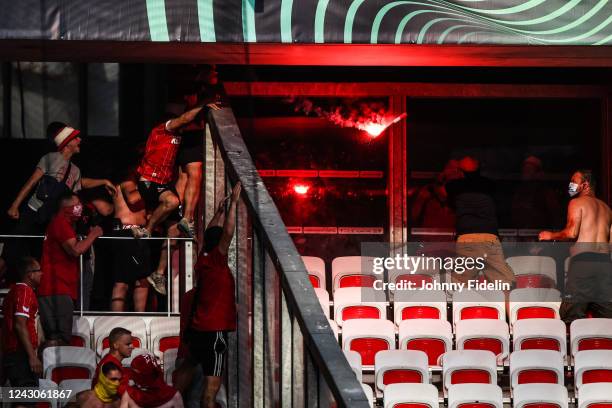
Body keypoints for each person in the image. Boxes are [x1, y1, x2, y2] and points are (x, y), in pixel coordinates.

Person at [6, 122, 115, 265]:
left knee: (41, 255)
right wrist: (15, 205)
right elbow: (31, 182)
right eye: (76, 138)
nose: (80, 140)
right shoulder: (50, 158)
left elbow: (76, 193)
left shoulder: (76, 170)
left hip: (49, 218)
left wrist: (104, 181)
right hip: (32, 212)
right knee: (11, 252)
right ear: (67, 142)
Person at [180, 182, 241, 408]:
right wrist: (233, 205)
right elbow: (228, 232)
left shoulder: (203, 258)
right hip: (214, 332)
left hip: (198, 330)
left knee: (188, 366)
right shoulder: (216, 260)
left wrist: (218, 212)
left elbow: (212, 234)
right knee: (210, 393)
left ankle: (173, 399)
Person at [539, 169, 612, 322]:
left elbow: (571, 233)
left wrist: (550, 235)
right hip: (605, 264)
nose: (570, 185)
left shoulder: (577, 202)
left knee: (571, 313)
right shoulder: (607, 209)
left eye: (574, 181)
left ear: (585, 185)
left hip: (584, 261)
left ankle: (576, 344)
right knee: (606, 315)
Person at [38, 192, 103, 346]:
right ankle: (44, 365)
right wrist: (93, 234)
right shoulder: (60, 223)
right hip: (56, 288)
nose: (80, 208)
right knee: (60, 338)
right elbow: (75, 250)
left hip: (60, 288)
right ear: (67, 207)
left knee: (61, 337)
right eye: (77, 204)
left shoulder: (63, 224)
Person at [446, 156, 515, 287]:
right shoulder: (490, 185)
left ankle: (462, 306)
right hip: (489, 237)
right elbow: (502, 208)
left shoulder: (453, 186)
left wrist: (449, 174)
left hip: (467, 239)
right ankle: (506, 307)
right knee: (504, 284)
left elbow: (447, 202)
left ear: (460, 172)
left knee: (461, 284)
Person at [175, 64, 223, 239]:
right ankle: (187, 217)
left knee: (185, 177)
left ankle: (180, 215)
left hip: (188, 138)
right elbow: (185, 115)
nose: (216, 73)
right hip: (190, 137)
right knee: (194, 176)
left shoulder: (200, 89)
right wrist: (204, 103)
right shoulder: (196, 90)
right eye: (213, 70)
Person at [109, 172, 150, 311]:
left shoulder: (133, 182)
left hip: (137, 234)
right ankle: (117, 320)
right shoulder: (127, 180)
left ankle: (140, 317)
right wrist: (152, 189)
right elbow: (133, 199)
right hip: (128, 232)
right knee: (122, 281)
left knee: (142, 280)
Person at [2, 257, 43, 389]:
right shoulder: (25, 291)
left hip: (11, 353)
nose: (42, 273)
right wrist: (32, 356)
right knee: (26, 399)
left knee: (19, 398)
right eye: (39, 270)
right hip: (20, 354)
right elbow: (20, 324)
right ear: (30, 274)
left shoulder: (12, 292)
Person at [78, 327, 138, 407]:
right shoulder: (112, 366)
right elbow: (125, 395)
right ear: (116, 345)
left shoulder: (109, 360)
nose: (132, 347)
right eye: (128, 344)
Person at [511, 156, 563, 230]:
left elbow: (556, 217)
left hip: (539, 235)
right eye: (524, 170)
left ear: (538, 174)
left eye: (529, 170)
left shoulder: (546, 193)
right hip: (520, 235)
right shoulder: (519, 192)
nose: (525, 173)